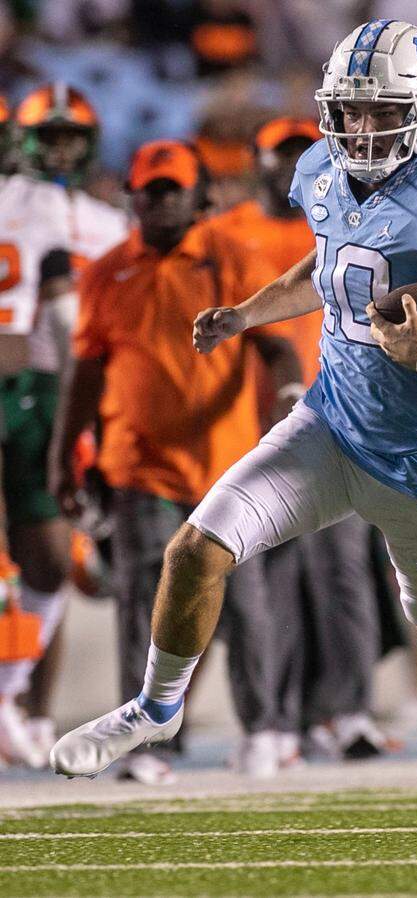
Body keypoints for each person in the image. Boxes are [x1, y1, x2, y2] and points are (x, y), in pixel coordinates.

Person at [49, 20, 417, 795]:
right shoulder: (317, 169)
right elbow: (331, 260)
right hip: (328, 425)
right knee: (195, 550)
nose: (361, 127)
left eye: (382, 110)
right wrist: (246, 313)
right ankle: (155, 707)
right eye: (350, 109)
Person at [48, 140, 301, 784]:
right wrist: (63, 457)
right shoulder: (106, 272)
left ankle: (266, 727)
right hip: (140, 464)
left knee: (244, 603)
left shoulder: (230, 260)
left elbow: (275, 348)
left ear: (198, 197)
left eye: (171, 189)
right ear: (131, 194)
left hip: (226, 463)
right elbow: (85, 372)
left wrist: (293, 400)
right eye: (149, 189)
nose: (159, 201)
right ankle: (149, 744)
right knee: (144, 602)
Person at [212, 117, 395, 772]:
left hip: (339, 418)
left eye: (305, 153)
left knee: (342, 573)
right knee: (269, 579)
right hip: (250, 423)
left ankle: (347, 712)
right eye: (281, 154)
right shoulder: (227, 233)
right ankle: (277, 721)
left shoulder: (348, 221)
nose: (293, 164)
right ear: (255, 161)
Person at [0, 83, 129, 768]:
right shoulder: (31, 209)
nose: (57, 150)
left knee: (53, 556)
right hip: (31, 375)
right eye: (45, 136)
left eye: (68, 137)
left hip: (60, 393)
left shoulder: (106, 222)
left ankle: (30, 707)